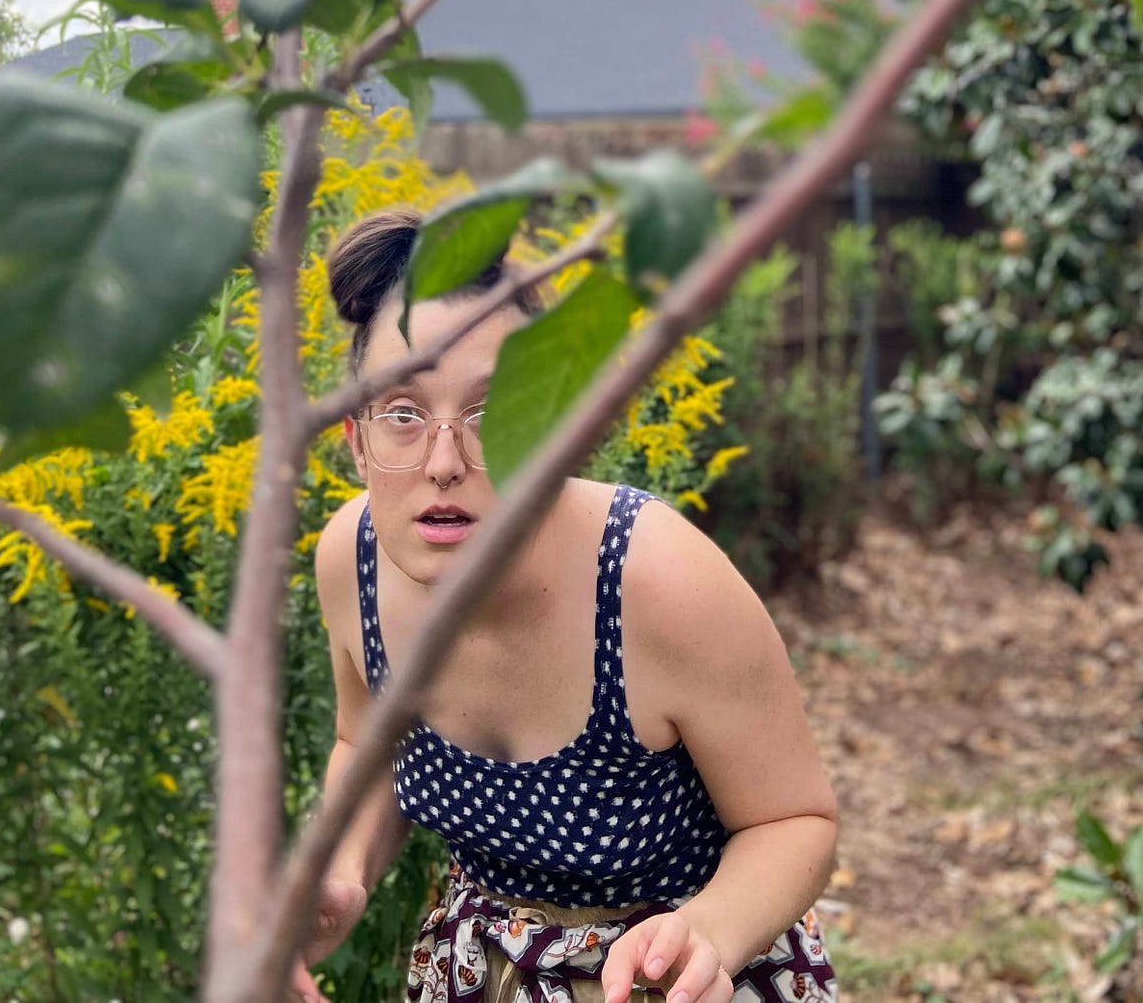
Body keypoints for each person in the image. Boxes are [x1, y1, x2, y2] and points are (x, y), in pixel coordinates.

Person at [294, 205, 839, 1003]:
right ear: (356, 437)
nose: (444, 461)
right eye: (404, 414)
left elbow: (796, 820)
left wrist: (710, 931)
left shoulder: (657, 585)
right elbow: (367, 743)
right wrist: (342, 869)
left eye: (493, 411)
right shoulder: (353, 561)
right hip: (481, 972)